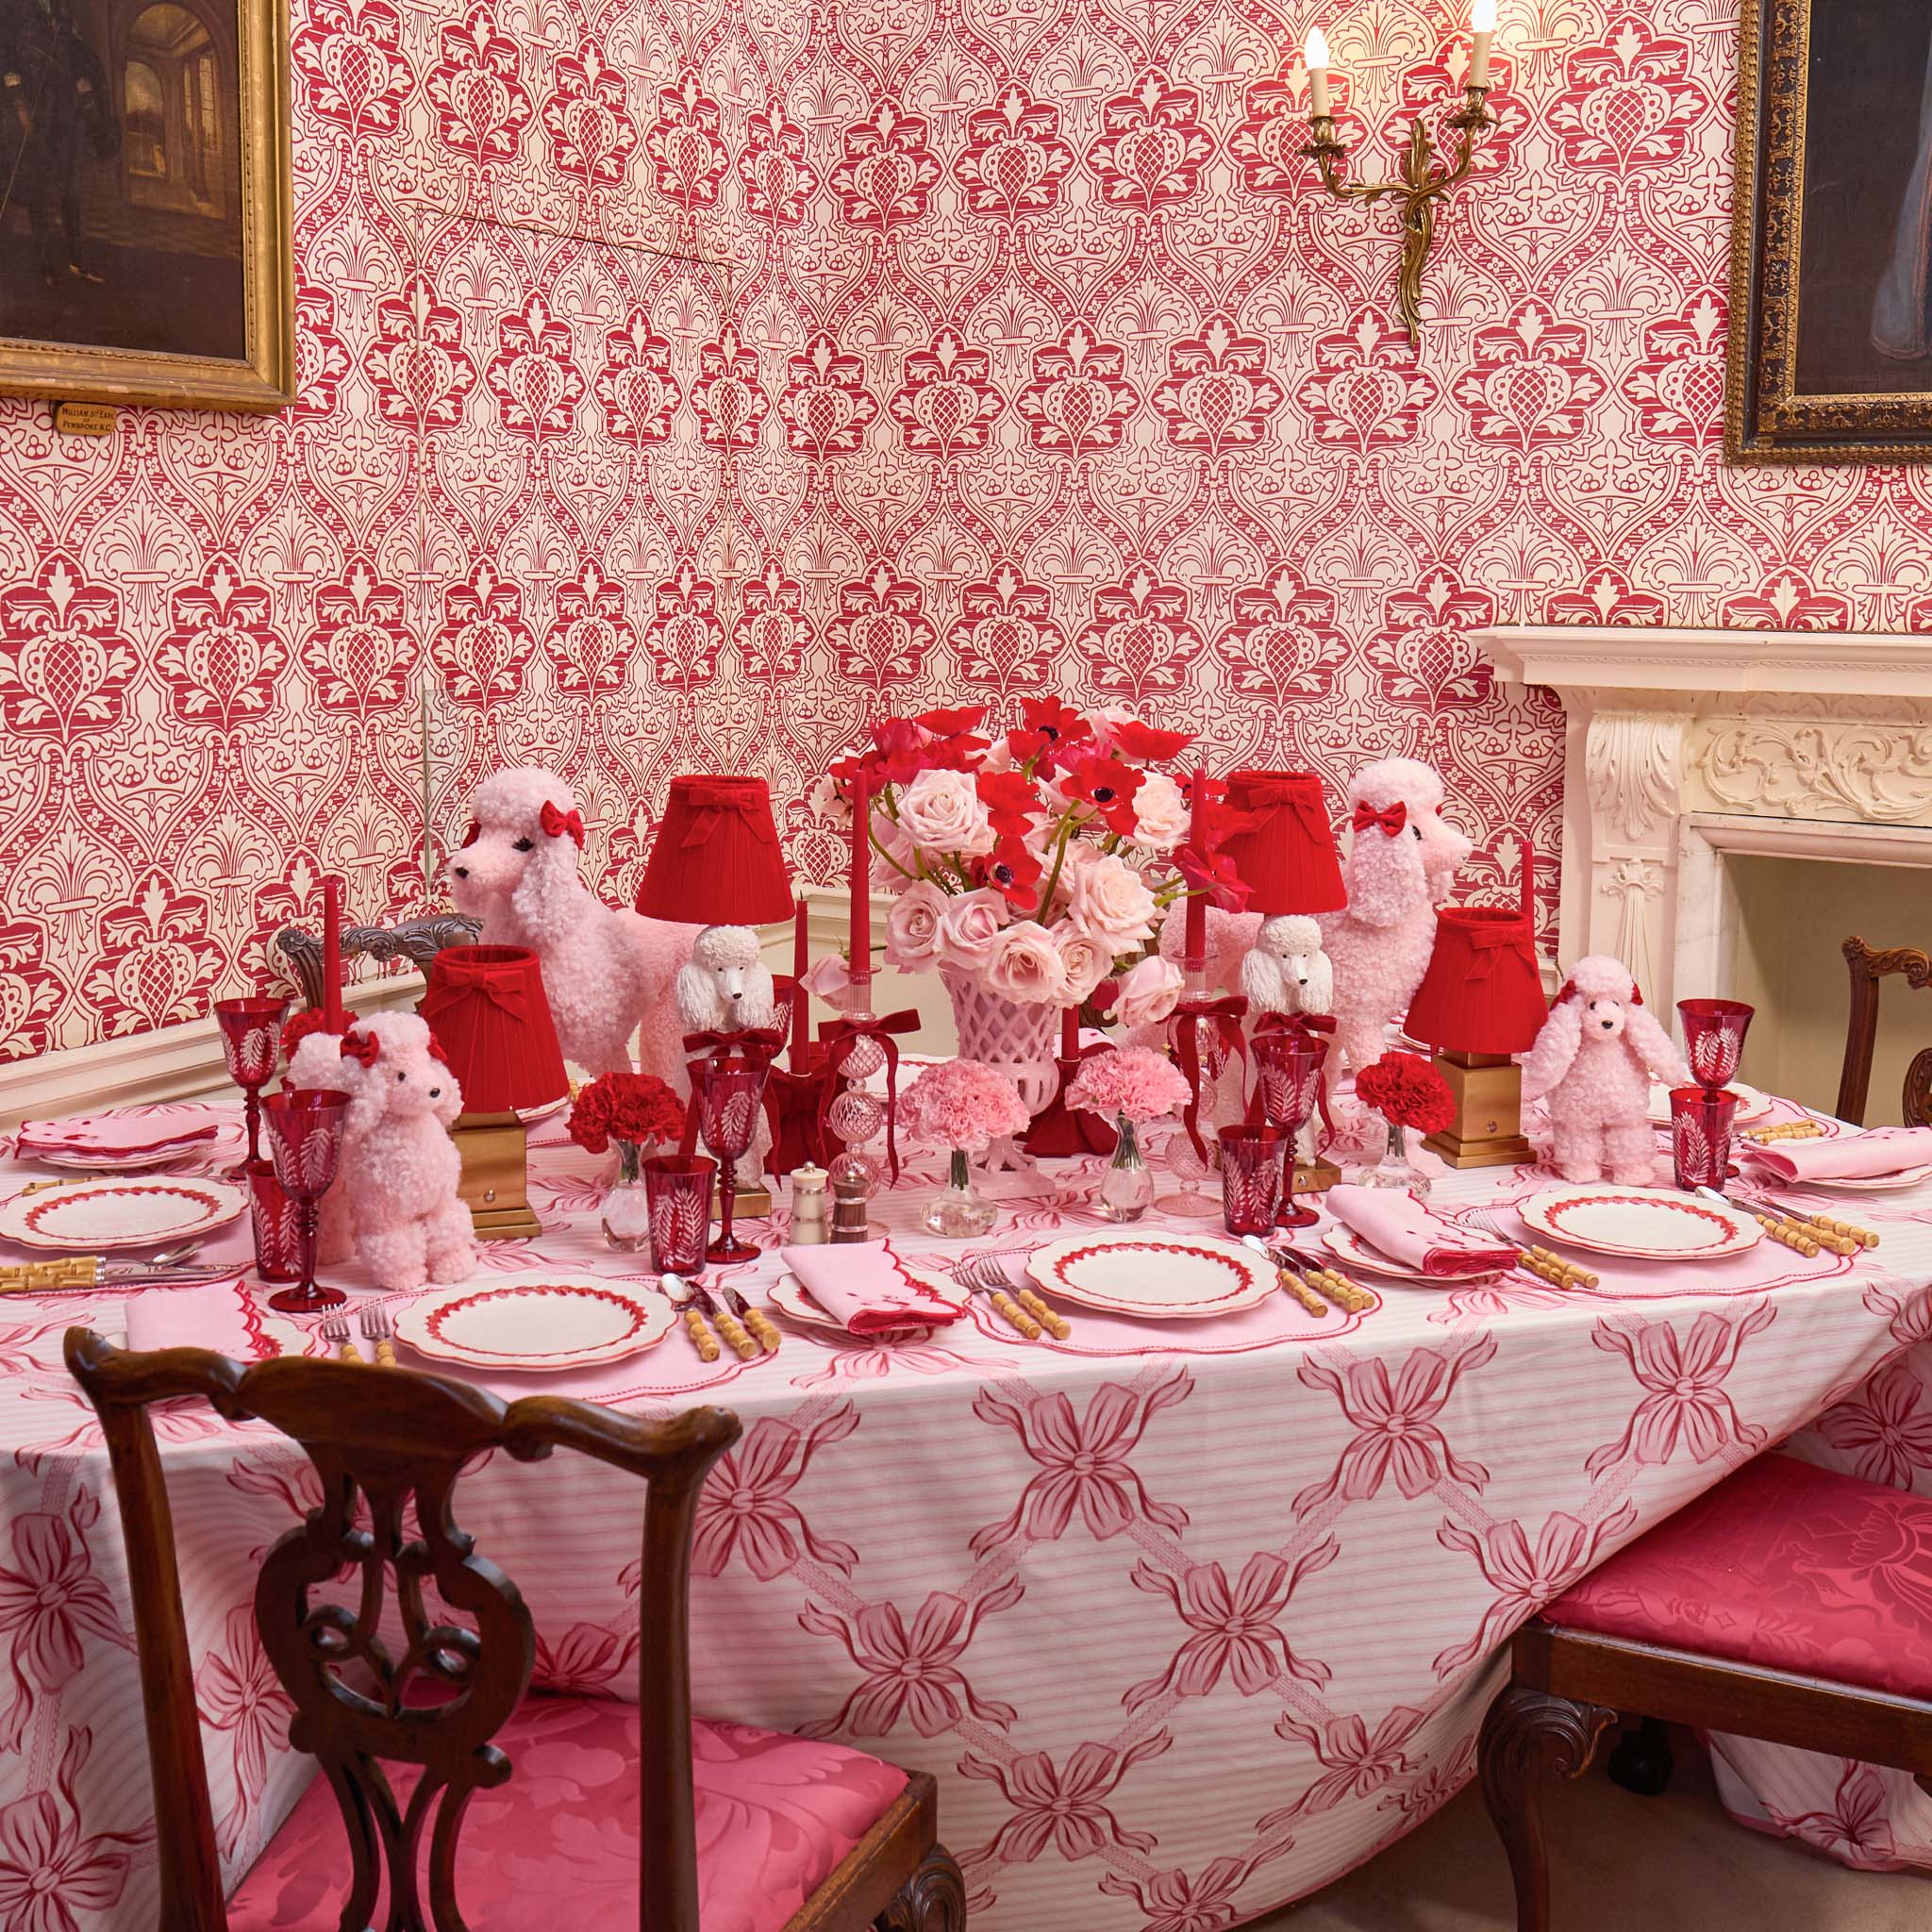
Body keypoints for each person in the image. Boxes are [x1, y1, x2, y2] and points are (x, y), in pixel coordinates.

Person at [1, 0, 115, 290]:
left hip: (63, 107)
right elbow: (7, 55)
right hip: (33, 105)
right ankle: (45, 264)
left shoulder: (61, 8)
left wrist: (83, 78)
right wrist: (19, 105)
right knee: (37, 188)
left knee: (71, 187)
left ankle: (77, 262)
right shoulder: (13, 7)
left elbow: (76, 49)